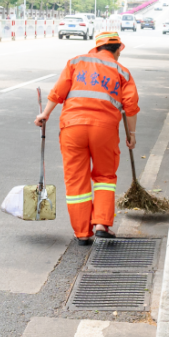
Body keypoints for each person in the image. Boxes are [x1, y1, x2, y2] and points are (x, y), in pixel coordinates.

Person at [34, 30, 139, 244]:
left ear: (97, 47)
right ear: (119, 49)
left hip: (73, 128)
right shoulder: (123, 72)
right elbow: (130, 107)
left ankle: (82, 233)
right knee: (105, 177)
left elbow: (58, 92)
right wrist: (132, 135)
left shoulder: (76, 62)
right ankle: (101, 224)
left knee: (76, 180)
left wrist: (45, 114)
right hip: (105, 130)